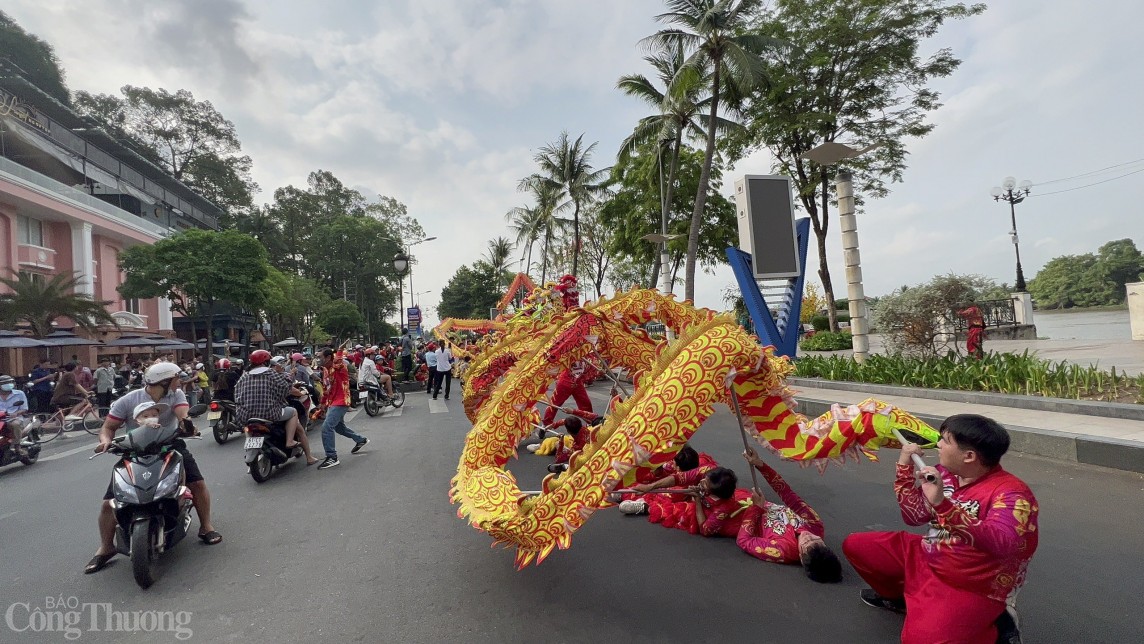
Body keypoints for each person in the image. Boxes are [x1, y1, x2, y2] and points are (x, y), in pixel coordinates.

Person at [842, 414, 1038, 644]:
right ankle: (899, 599)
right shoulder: (945, 474)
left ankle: (996, 629)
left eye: (945, 441)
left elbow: (1004, 544)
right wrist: (904, 468)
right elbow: (913, 516)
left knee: (920, 640)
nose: (938, 445)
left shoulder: (1012, 493)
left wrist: (942, 505)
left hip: (971, 581)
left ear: (969, 456)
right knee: (857, 546)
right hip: (929, 554)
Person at [85, 362, 222, 575]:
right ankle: (106, 547)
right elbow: (108, 428)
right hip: (134, 451)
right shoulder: (128, 400)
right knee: (109, 503)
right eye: (176, 378)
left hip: (170, 445)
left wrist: (186, 424)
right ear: (164, 382)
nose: (180, 381)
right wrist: (105, 442)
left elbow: (182, 414)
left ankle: (206, 527)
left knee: (197, 483)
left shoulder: (176, 395)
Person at [736, 448, 842, 583]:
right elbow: (788, 495)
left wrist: (756, 508)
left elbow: (744, 541)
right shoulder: (815, 525)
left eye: (807, 543)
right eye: (817, 540)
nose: (808, 536)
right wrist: (760, 465)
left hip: (736, 515)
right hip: (750, 498)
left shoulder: (782, 551)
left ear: (801, 558)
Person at [235, 351, 317, 466]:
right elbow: (286, 387)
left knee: (248, 428)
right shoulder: (271, 374)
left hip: (245, 415)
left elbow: (237, 395)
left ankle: (249, 447)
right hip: (270, 414)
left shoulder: (244, 376)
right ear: (267, 362)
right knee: (293, 412)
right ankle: (294, 445)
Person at [632, 466, 747, 537]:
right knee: (671, 492)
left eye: (706, 484)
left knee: (682, 511)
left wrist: (697, 500)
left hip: (708, 513)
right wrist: (650, 487)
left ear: (715, 492)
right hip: (698, 497)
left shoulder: (724, 507)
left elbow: (705, 529)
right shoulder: (706, 470)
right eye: (704, 479)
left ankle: (646, 507)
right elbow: (679, 478)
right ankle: (637, 496)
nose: (702, 482)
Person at [316, 348, 368, 470]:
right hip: (332, 402)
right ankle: (361, 440)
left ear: (328, 357)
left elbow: (338, 361)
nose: (318, 360)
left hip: (341, 401)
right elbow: (326, 389)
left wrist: (339, 351)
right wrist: (322, 405)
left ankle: (332, 457)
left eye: (320, 357)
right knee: (339, 428)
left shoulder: (339, 367)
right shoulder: (325, 370)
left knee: (326, 427)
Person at [540, 360, 598, 426]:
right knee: (554, 404)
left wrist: (598, 370)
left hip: (578, 383)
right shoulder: (571, 353)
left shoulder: (586, 354)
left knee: (585, 402)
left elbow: (591, 367)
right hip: (565, 382)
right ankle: (546, 424)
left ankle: (590, 422)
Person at [0, 374, 30, 456]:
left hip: (14, 418)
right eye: (5, 383)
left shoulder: (19, 394)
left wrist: (16, 413)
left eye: (10, 382)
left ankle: (17, 446)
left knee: (15, 424)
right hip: (1, 419)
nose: (9, 384)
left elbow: (24, 409)